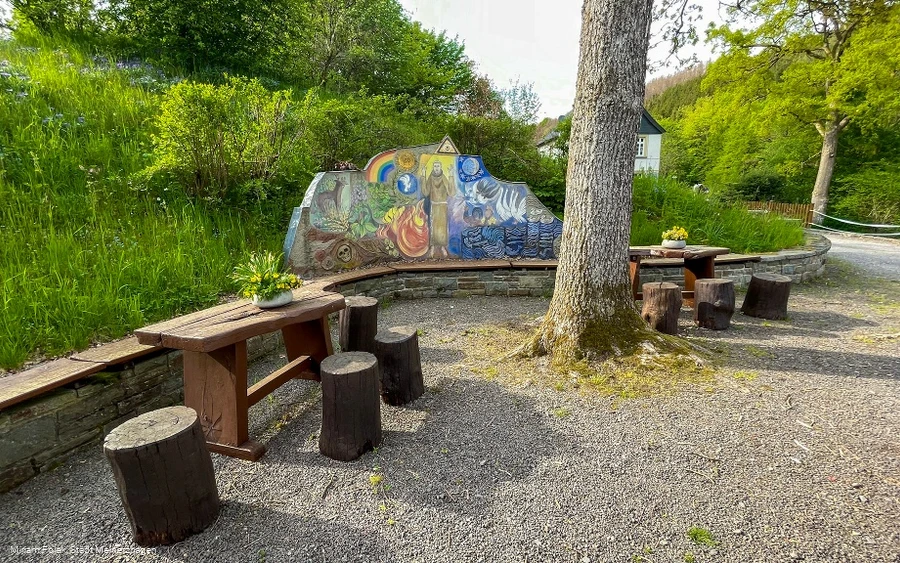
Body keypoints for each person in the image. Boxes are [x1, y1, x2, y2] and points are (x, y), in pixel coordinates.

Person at [420, 160, 453, 258]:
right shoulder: (431, 178)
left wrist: (451, 175)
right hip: (434, 205)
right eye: (435, 166)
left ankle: (442, 247)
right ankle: (433, 247)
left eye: (438, 165)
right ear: (433, 167)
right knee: (433, 227)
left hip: (442, 206)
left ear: (441, 167)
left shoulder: (444, 178)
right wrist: (423, 175)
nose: (436, 167)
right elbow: (425, 192)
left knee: (443, 228)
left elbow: (451, 192)